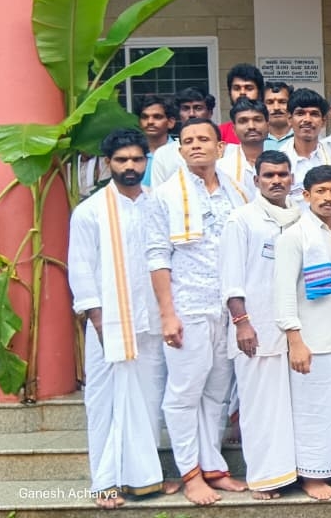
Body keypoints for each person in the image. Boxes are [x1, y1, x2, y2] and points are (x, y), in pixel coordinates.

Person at [146, 118, 249, 505]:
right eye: (187, 141)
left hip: (227, 307)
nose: (195, 146)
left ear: (220, 148)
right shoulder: (165, 195)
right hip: (188, 305)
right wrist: (167, 314)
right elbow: (157, 257)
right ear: (179, 150)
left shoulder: (236, 191)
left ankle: (214, 467)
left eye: (204, 139)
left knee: (218, 392)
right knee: (184, 392)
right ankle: (190, 473)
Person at [69, 129, 167, 508]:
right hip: (109, 324)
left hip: (152, 321)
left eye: (137, 159)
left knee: (148, 398)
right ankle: (106, 481)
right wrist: (98, 321)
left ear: (146, 161)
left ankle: (143, 477)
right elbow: (81, 268)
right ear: (108, 163)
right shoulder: (90, 211)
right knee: (104, 402)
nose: (130, 166)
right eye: (122, 160)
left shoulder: (157, 203)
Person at [219, 150, 301, 500]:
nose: (276, 181)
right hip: (256, 327)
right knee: (259, 407)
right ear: (256, 180)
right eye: (269, 175)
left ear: (292, 179)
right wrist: (242, 323)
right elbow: (231, 279)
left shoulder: (299, 217)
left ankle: (291, 473)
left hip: (293, 329)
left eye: (282, 174)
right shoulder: (242, 220)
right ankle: (264, 478)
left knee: (290, 407)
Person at [275, 165, 331, 499]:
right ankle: (311, 474)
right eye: (320, 192)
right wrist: (295, 340)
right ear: (306, 195)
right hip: (312, 337)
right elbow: (283, 292)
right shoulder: (295, 236)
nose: (327, 198)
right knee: (313, 409)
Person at [281, 88, 331, 199]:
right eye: (300, 113)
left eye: (314, 114)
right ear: (289, 119)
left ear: (323, 121)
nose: (307, 119)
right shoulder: (278, 161)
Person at [136, 95, 178, 187]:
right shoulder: (132, 154)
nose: (150, 122)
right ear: (139, 122)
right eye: (145, 117)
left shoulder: (180, 152)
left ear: (170, 122)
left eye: (157, 117)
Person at [221, 63, 264, 144]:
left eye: (249, 88)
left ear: (259, 93)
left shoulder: (271, 131)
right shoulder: (220, 133)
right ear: (230, 93)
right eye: (237, 88)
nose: (242, 92)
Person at [262, 82, 293, 151]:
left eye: (282, 102)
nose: (276, 108)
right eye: (270, 102)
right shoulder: (255, 138)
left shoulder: (302, 136)